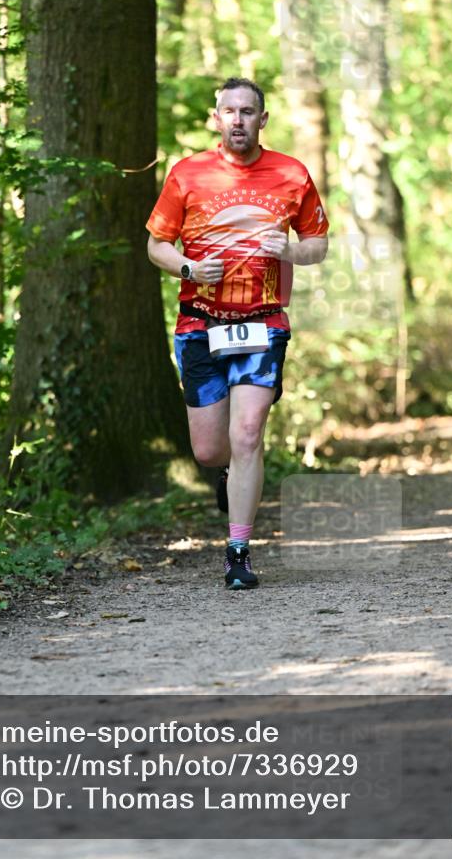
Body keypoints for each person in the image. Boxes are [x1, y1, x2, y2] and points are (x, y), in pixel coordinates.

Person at [146, 77, 329, 590]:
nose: (239, 120)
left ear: (262, 119)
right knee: (210, 450)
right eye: (230, 111)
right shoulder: (188, 173)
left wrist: (289, 250)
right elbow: (156, 245)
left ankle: (239, 552)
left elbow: (318, 244)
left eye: (248, 111)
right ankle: (229, 475)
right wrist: (187, 268)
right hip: (199, 323)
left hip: (262, 322)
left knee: (247, 434)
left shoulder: (291, 174)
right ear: (216, 118)